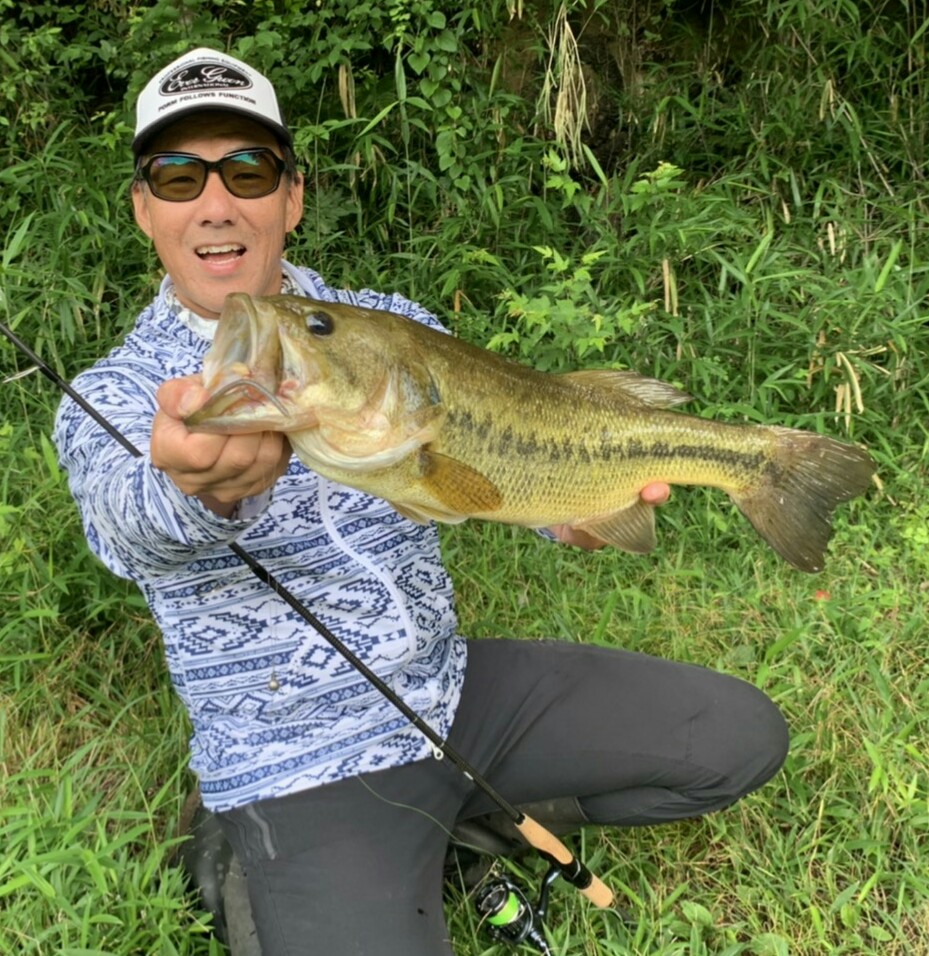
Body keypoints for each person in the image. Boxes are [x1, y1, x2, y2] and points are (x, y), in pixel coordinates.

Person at [53, 47, 789, 956]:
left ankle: (454, 818)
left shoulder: (389, 323)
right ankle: (263, 840)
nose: (216, 202)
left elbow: (505, 457)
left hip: (448, 692)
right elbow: (124, 523)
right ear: (143, 208)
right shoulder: (111, 392)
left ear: (291, 196)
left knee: (736, 738)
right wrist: (194, 493)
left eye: (247, 170)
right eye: (177, 176)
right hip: (301, 759)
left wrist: (572, 512)